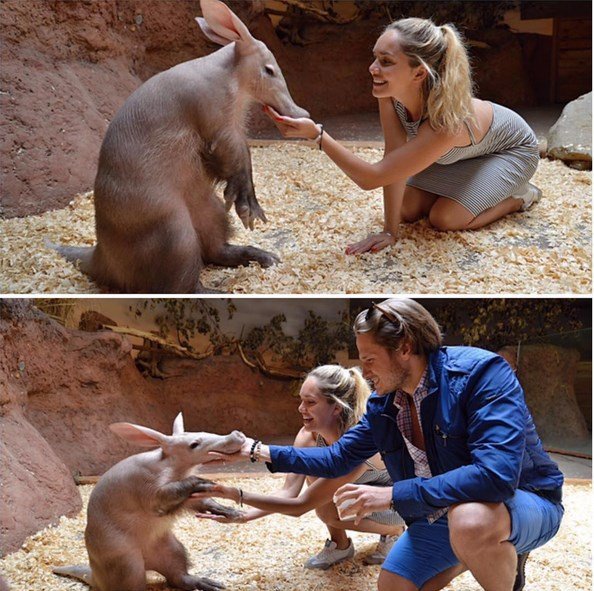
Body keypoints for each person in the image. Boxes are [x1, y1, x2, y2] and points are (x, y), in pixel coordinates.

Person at [203, 298, 564, 591]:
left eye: (370, 359)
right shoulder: (384, 403)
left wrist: (391, 496)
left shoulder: (483, 374)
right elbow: (337, 458)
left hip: (521, 501)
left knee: (470, 520)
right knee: (393, 586)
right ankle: (468, 552)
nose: (365, 371)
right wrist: (254, 450)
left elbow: (496, 478)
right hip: (440, 511)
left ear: (405, 348)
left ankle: (502, 566)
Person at [263, 17, 541, 255]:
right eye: (375, 57)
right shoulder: (390, 96)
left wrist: (317, 135)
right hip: (460, 156)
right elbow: (392, 158)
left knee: (444, 218)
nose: (373, 68)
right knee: (406, 210)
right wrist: (389, 231)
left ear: (419, 72)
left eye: (385, 61)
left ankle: (520, 196)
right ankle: (471, 189)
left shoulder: (447, 122)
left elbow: (372, 178)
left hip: (512, 152)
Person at [196, 364, 405, 569]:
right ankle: (339, 545)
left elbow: (300, 506)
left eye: (310, 402)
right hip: (359, 496)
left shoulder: (358, 445)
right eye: (301, 400)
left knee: (327, 510)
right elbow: (289, 492)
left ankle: (394, 531)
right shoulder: (308, 436)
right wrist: (242, 514)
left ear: (336, 407)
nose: (300, 408)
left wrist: (236, 496)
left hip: (393, 506)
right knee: (317, 481)